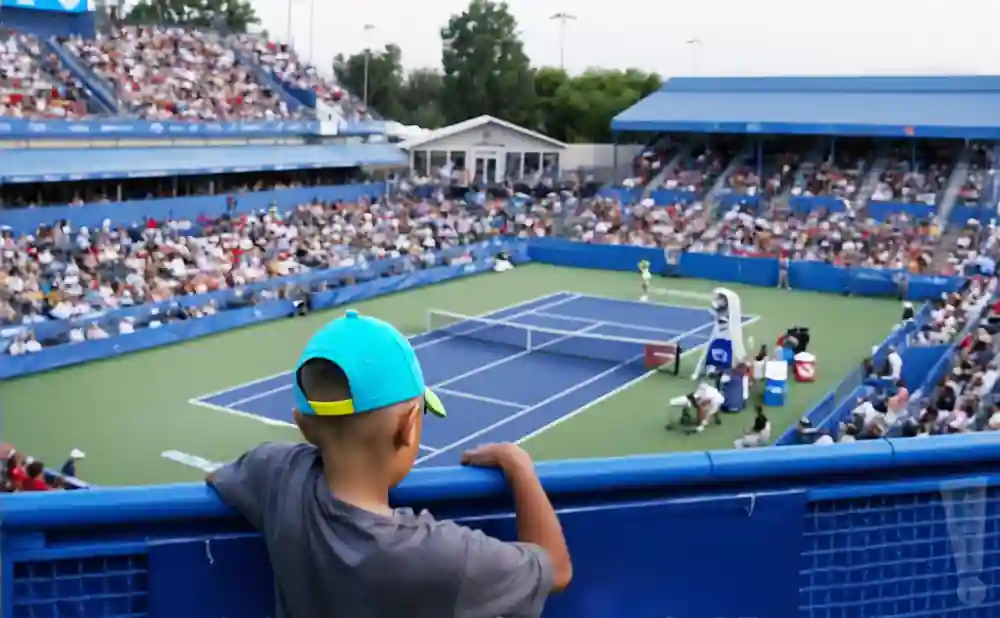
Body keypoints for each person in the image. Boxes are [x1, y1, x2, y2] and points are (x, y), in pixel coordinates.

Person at [207, 309, 572, 618]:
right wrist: (519, 467)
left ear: (303, 424)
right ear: (409, 426)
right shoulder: (445, 556)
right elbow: (555, 569)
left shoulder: (272, 473)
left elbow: (220, 477)